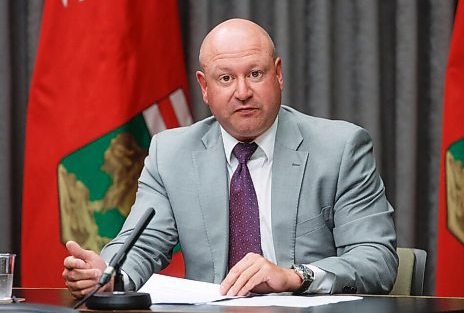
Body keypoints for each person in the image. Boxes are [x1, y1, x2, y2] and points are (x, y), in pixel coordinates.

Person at [62, 18, 398, 298]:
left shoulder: (339, 148)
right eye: (225, 78)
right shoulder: (171, 154)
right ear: (204, 87)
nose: (242, 92)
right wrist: (108, 275)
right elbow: (143, 245)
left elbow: (377, 260)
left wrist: (295, 277)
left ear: (278, 74)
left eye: (255, 74)